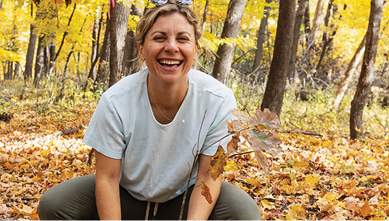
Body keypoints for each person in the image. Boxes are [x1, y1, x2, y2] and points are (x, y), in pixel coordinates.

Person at [38, 1, 262, 220]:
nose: (172, 47)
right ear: (142, 49)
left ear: (195, 50)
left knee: (244, 213)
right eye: (159, 38)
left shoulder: (218, 100)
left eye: (182, 38)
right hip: (127, 196)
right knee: (55, 205)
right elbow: (106, 178)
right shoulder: (116, 101)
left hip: (184, 199)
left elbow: (208, 177)